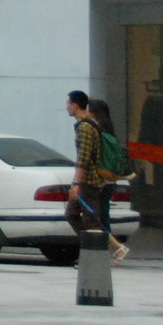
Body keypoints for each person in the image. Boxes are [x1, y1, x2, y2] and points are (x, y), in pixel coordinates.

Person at [65, 90, 125, 265]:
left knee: (91, 220)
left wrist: (76, 184)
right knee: (72, 214)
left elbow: (83, 159)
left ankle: (96, 253)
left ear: (76, 105)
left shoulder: (85, 127)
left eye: (68, 103)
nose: (66, 107)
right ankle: (112, 248)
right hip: (87, 181)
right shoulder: (88, 124)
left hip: (89, 182)